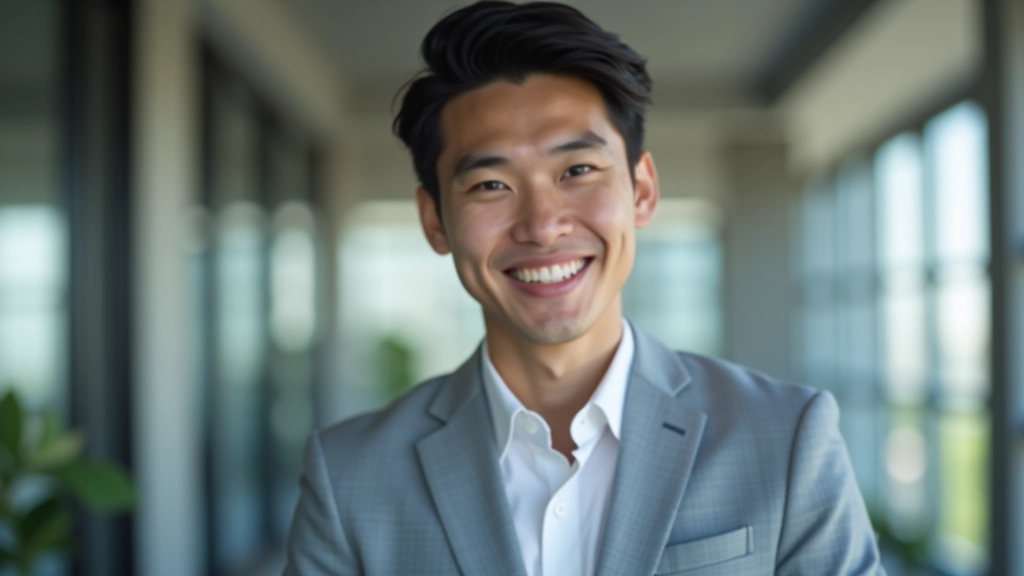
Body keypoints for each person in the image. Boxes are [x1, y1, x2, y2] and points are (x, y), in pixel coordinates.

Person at [284, 2, 884, 575]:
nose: (543, 225)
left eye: (577, 171)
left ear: (642, 190)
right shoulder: (349, 476)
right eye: (491, 184)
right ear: (435, 220)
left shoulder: (786, 438)